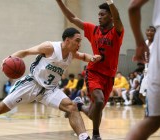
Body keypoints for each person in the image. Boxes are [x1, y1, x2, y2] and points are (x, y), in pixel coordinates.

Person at [0, 27, 102, 140]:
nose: (79, 44)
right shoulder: (50, 47)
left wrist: (93, 58)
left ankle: (84, 138)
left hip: (49, 90)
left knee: (71, 107)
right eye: (77, 40)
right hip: (32, 84)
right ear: (67, 40)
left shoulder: (72, 54)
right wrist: (8, 59)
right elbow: (25, 52)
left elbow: (83, 56)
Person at [56, 0, 124, 139]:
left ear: (111, 17)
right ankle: (96, 135)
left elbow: (118, 18)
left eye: (102, 14)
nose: (99, 17)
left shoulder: (117, 32)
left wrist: (110, 2)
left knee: (94, 114)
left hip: (109, 76)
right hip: (94, 72)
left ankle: (79, 106)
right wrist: (60, 2)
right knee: (98, 101)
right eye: (98, 14)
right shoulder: (93, 30)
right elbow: (72, 18)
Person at [125, 0, 160, 140]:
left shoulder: (152, 43)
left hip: (154, 69)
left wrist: (138, 43)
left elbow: (133, 7)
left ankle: (148, 108)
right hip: (148, 72)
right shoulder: (147, 43)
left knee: (152, 121)